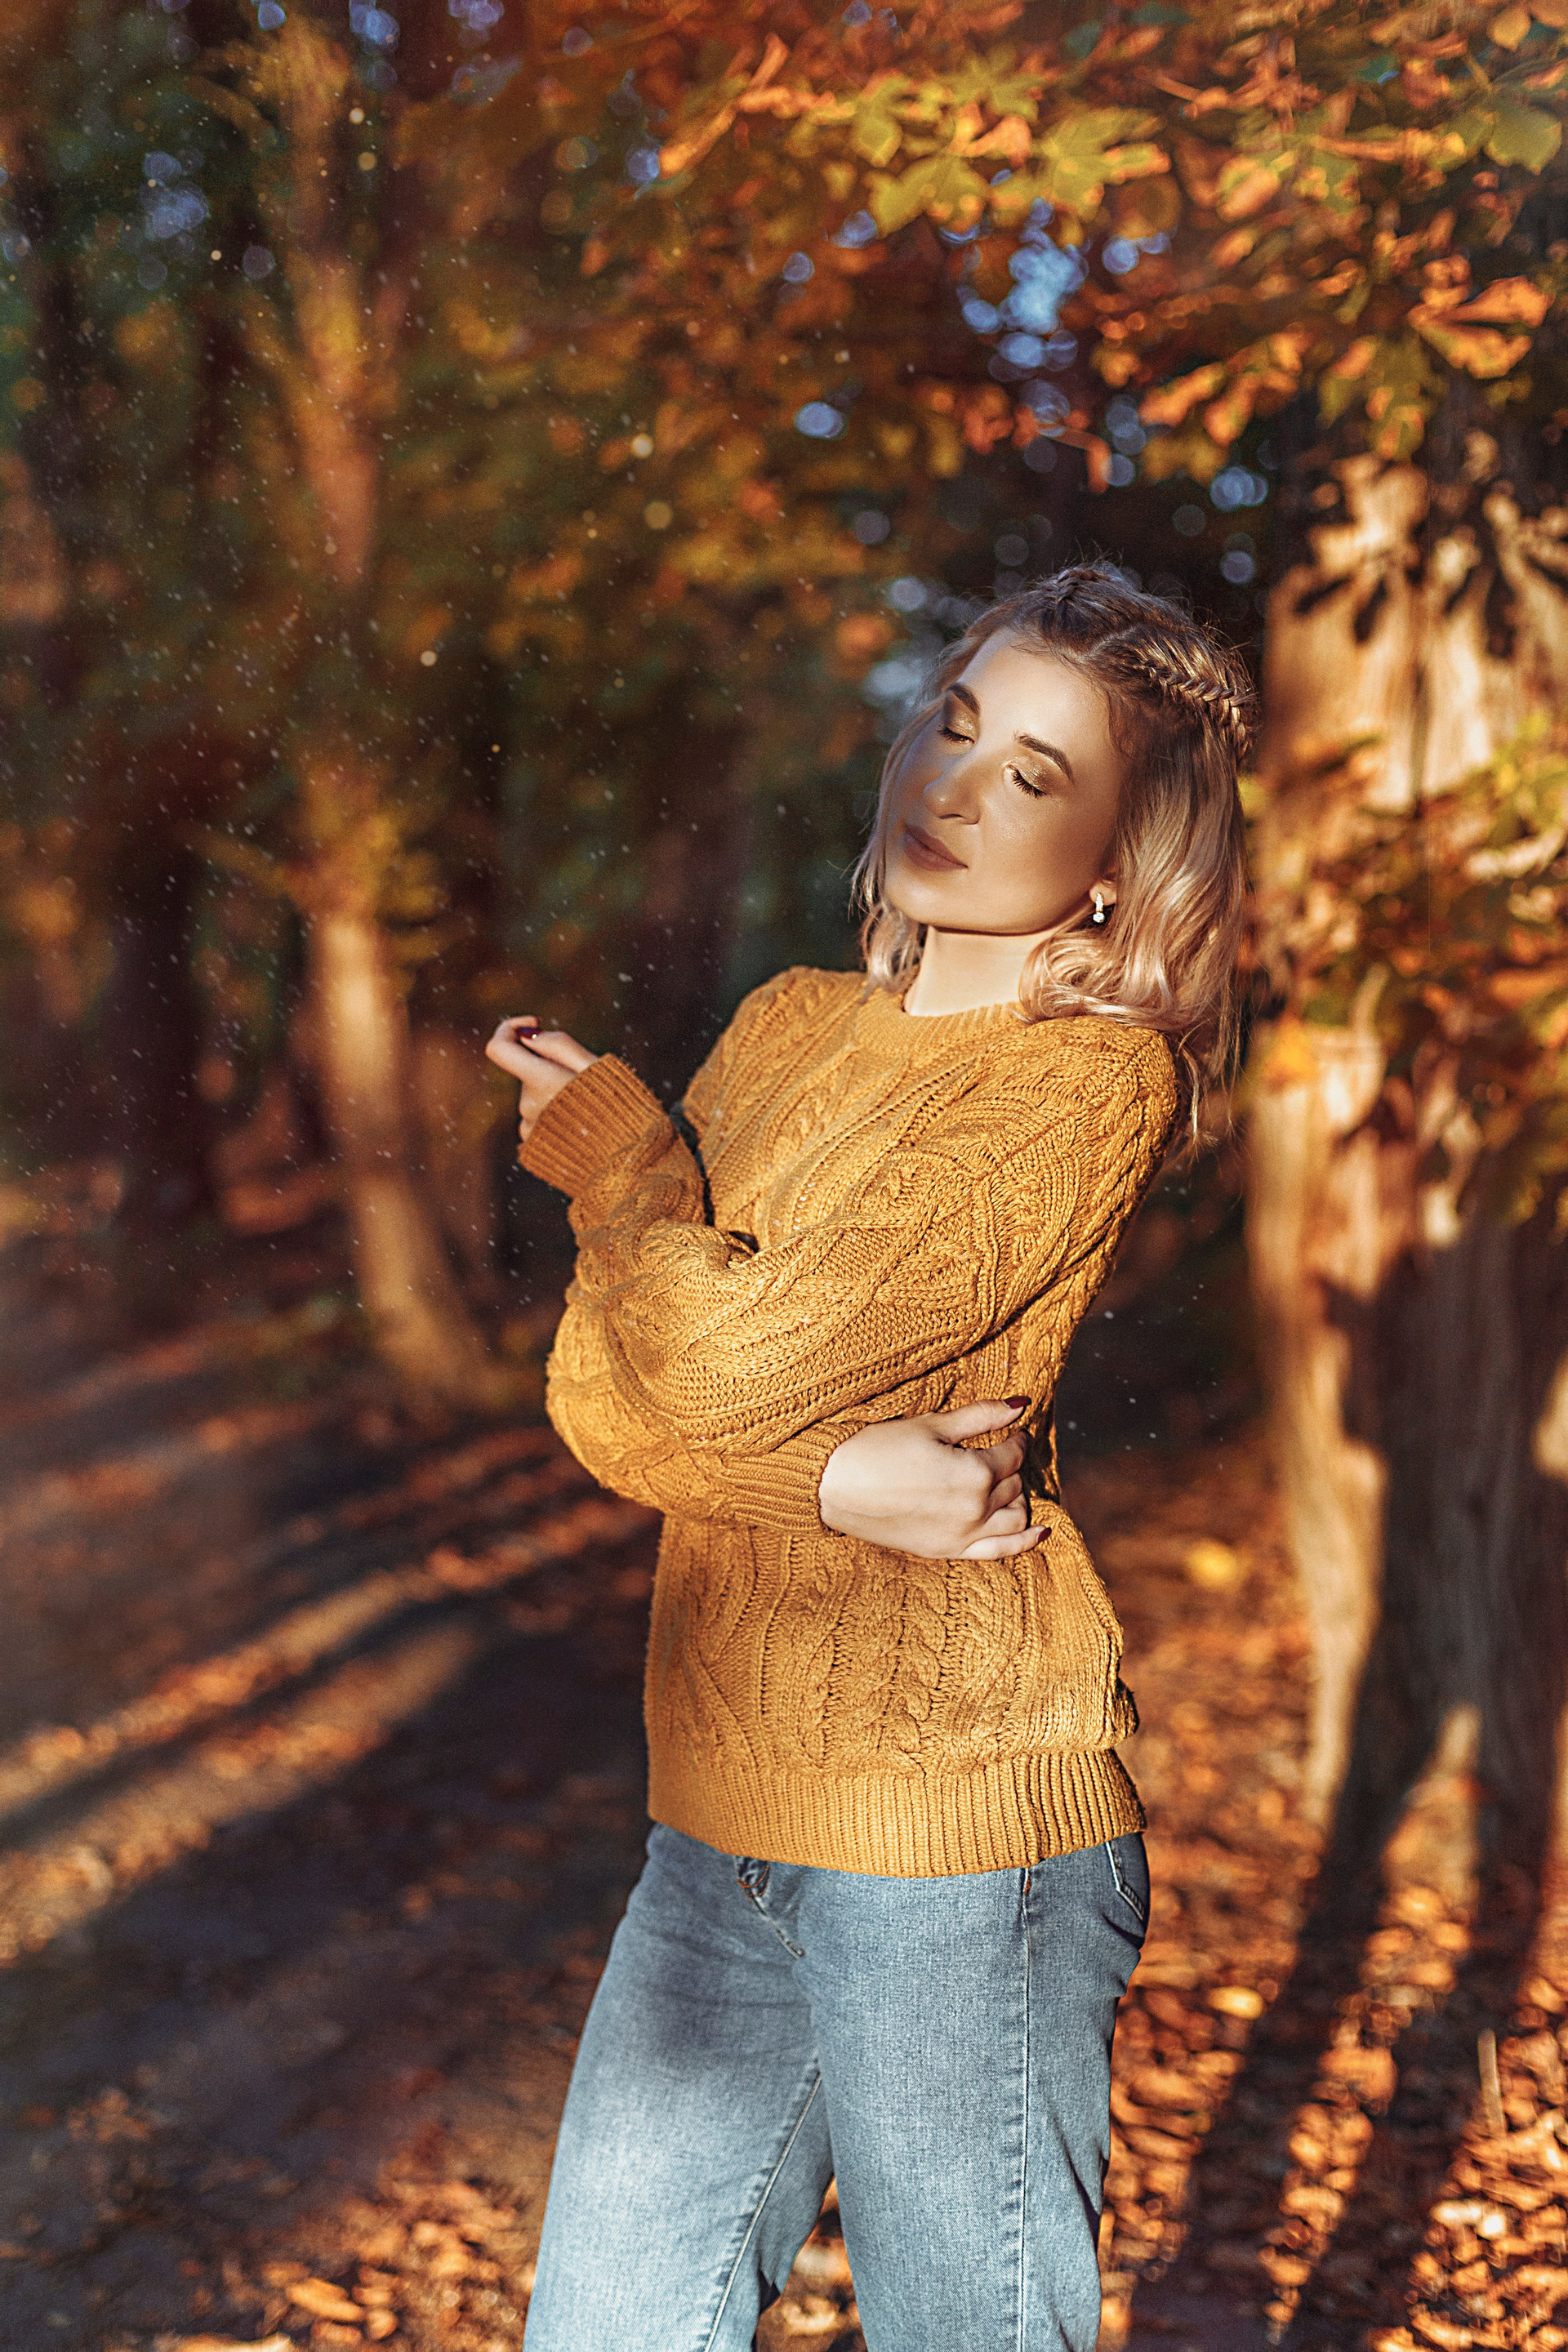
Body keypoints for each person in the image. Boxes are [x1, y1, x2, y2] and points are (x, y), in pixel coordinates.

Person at [486, 564, 1251, 2352]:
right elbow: (599, 1401)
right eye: (952, 723)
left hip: (957, 1851)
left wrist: (625, 1174)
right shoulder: (780, 1025)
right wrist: (828, 1484)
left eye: (1036, 776)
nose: (956, 786)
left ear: (1122, 866)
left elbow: (723, 1360)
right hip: (713, 1821)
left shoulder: (1086, 1085)